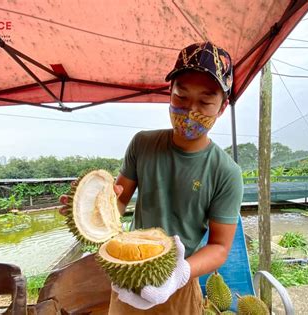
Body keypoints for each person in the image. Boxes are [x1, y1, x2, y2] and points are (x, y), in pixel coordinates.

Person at [60, 41, 243, 314]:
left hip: (180, 285)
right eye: (181, 97)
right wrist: (87, 213)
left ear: (222, 107)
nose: (191, 110)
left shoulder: (226, 172)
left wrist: (181, 273)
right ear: (169, 93)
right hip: (128, 275)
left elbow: (219, 246)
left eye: (205, 101)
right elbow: (116, 202)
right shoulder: (142, 144)